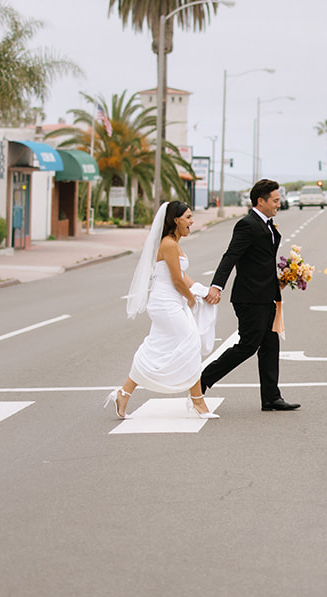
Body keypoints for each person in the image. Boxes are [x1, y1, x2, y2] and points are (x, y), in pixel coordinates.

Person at [105, 200, 218, 419]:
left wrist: (201, 291)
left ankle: (124, 393)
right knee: (191, 342)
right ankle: (198, 402)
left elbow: (182, 276)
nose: (192, 221)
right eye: (188, 217)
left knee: (155, 347)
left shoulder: (174, 243)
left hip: (171, 302)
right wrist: (191, 300)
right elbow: (176, 280)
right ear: (175, 220)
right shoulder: (168, 244)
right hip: (166, 303)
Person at [199, 179, 300, 411]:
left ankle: (271, 397)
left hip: (266, 295)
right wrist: (217, 285)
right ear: (260, 201)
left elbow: (262, 260)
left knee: (270, 345)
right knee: (248, 345)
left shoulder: (268, 224)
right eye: (275, 200)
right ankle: (202, 380)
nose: (279, 203)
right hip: (250, 297)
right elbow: (231, 256)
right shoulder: (247, 224)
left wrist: (281, 279)